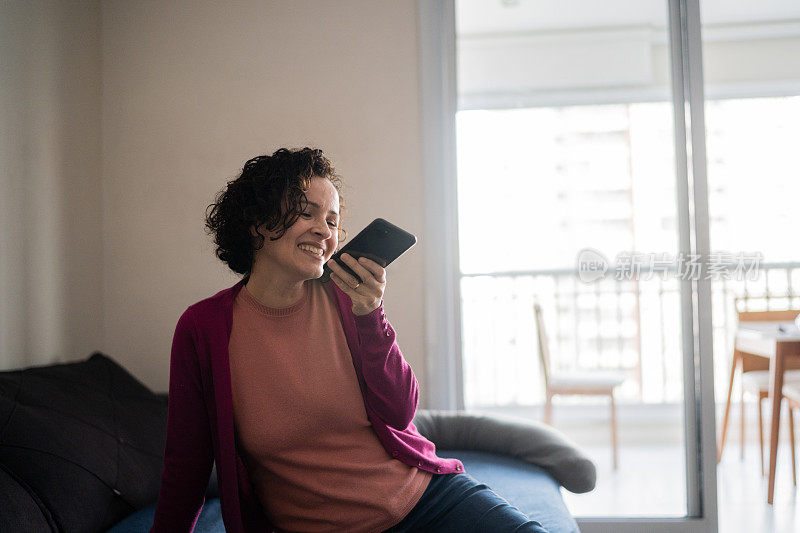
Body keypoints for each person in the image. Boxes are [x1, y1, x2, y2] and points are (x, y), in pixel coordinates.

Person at [150, 147, 548, 533]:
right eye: (306, 213)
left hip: (427, 500)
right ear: (259, 222)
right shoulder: (203, 329)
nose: (325, 231)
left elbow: (400, 411)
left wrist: (372, 315)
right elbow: (186, 466)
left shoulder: (346, 297)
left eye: (332, 220)